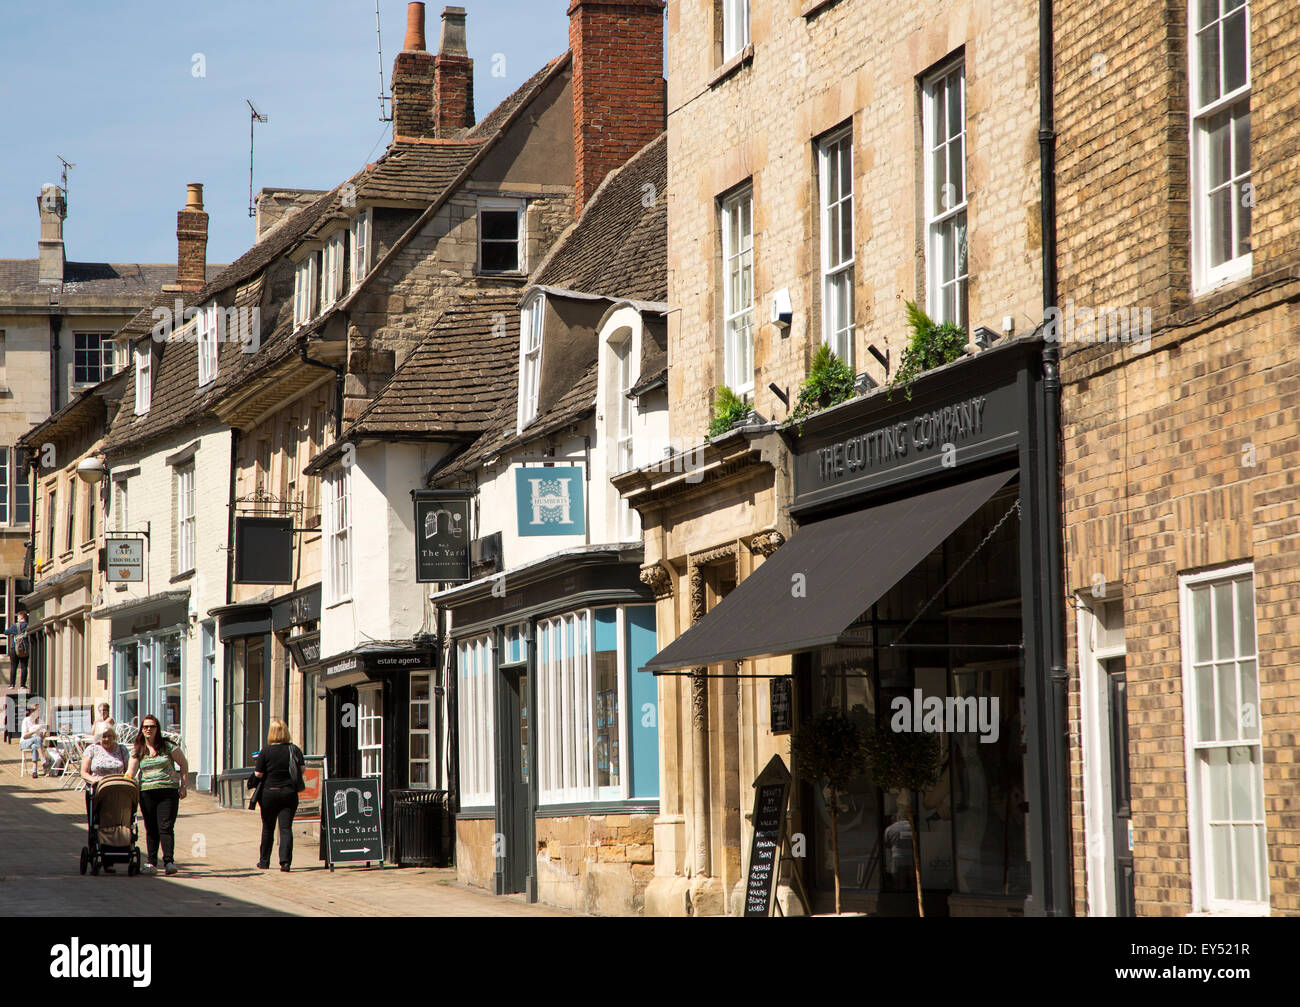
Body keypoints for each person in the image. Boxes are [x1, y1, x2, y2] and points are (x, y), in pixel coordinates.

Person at [126, 715, 188, 875]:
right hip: (147, 793)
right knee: (151, 828)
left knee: (166, 827)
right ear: (141, 729)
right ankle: (151, 863)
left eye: (152, 726)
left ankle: (169, 862)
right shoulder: (139, 749)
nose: (148, 729)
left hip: (168, 792)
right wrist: (125, 785)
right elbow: (130, 772)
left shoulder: (167, 746)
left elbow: (183, 763)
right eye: (145, 726)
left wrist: (183, 786)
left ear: (157, 729)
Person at [251, 719, 305, 872]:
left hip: (269, 793)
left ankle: (264, 861)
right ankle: (285, 862)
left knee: (268, 827)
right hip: (289, 793)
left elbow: (259, 773)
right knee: (286, 828)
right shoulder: (294, 749)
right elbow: (302, 769)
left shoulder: (266, 751)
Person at [80, 724, 131, 873]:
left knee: (118, 822)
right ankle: (100, 855)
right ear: (98, 738)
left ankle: (116, 855)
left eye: (109, 735)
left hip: (119, 791)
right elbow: (84, 771)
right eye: (103, 736)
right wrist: (92, 780)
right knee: (98, 823)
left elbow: (129, 769)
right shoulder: (92, 749)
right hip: (98, 791)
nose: (106, 739)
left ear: (114, 736)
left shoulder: (122, 749)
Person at [19, 702, 49, 777]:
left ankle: (34, 771)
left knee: (35, 746)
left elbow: (40, 739)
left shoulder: (39, 722)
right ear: (31, 712)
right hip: (25, 742)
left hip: (35, 744)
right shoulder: (26, 720)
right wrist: (35, 731)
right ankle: (43, 759)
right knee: (37, 740)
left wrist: (45, 733)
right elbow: (24, 736)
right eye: (36, 711)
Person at [5, 610, 30, 690]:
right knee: (24, 666)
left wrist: (14, 633)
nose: (17, 619)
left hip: (14, 648)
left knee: (13, 666)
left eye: (18, 617)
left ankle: (12, 684)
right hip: (25, 649)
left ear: (22, 617)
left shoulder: (15, 626)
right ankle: (22, 685)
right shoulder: (28, 626)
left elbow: (6, 632)